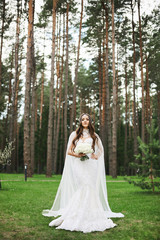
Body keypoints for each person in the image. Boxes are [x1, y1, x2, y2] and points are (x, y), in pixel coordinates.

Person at [42, 113, 124, 233]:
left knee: (90, 187)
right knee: (82, 187)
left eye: (87, 119)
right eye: (83, 119)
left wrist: (96, 155)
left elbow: (101, 149)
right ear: (80, 122)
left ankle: (91, 214)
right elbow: (69, 152)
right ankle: (76, 213)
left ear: (90, 122)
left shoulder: (94, 135)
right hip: (79, 165)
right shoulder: (75, 135)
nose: (85, 121)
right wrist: (78, 154)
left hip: (91, 165)